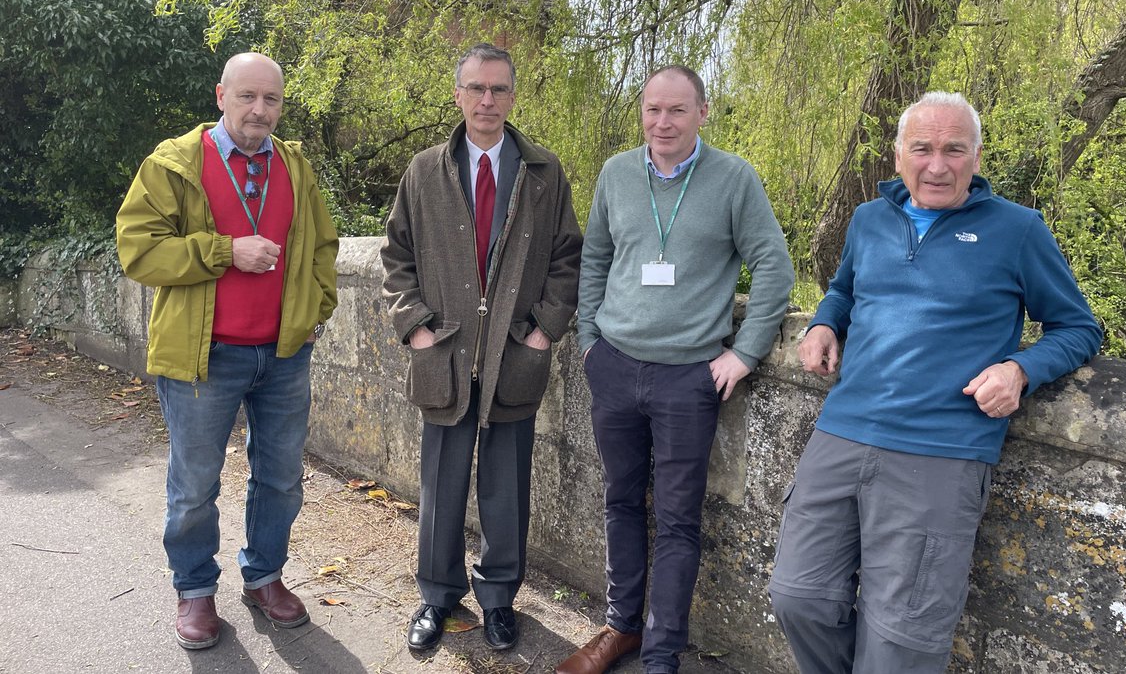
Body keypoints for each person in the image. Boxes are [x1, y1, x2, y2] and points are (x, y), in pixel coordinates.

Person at [769, 91, 1102, 673]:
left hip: (942, 451)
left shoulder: (1017, 229)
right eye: (921, 149)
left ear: (976, 157)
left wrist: (1021, 368)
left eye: (954, 149)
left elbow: (1077, 327)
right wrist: (825, 321)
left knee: (901, 639)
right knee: (799, 596)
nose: (937, 165)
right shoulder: (869, 220)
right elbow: (846, 289)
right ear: (898, 156)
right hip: (843, 432)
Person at [557, 64, 794, 674]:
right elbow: (596, 260)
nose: (663, 122)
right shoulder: (616, 173)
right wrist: (589, 340)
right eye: (653, 110)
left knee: (680, 520)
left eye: (677, 111)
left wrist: (745, 353)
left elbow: (773, 265)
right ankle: (620, 628)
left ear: (702, 113)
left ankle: (662, 654)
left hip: (688, 377)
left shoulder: (734, 179)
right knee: (620, 501)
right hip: (615, 365)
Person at [115, 52, 339, 650]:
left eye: (271, 100)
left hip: (285, 356)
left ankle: (264, 576)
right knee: (193, 487)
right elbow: (139, 249)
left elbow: (323, 246)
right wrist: (223, 251)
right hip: (204, 357)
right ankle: (194, 591)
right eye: (247, 97)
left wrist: (315, 312)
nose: (259, 110)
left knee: (282, 479)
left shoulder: (295, 166)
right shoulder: (175, 163)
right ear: (221, 95)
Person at [380, 42, 582, 652]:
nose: (487, 100)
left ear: (512, 97)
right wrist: (416, 326)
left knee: (505, 487)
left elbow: (569, 260)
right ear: (458, 94)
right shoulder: (424, 171)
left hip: (513, 357)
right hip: (445, 353)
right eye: (476, 88)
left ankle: (498, 599)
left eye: (498, 89)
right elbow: (396, 258)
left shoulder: (544, 173)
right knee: (441, 484)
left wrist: (543, 331)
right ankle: (437, 596)